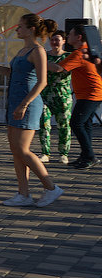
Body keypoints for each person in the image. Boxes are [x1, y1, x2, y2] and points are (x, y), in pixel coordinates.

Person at [0, 14, 64, 207]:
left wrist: (24, 104)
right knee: (15, 150)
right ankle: (23, 194)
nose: (17, 30)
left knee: (23, 150)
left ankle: (51, 187)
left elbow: (42, 82)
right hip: (14, 102)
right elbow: (10, 72)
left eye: (20, 27)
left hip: (28, 104)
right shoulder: (23, 50)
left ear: (31, 29)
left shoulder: (38, 50)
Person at [49, 24, 102, 169]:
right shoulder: (86, 50)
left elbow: (59, 68)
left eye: (70, 34)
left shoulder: (79, 53)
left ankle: (90, 156)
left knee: (76, 123)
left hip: (91, 93)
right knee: (85, 124)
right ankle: (86, 155)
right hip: (92, 93)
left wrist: (40, 62)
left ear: (78, 37)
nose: (67, 37)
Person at [38, 26, 72, 165]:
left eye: (57, 40)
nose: (54, 42)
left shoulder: (68, 56)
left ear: (63, 41)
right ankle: (45, 152)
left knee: (63, 124)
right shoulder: (44, 54)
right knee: (44, 123)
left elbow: (60, 70)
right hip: (45, 94)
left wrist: (44, 64)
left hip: (62, 95)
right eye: (52, 40)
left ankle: (64, 153)